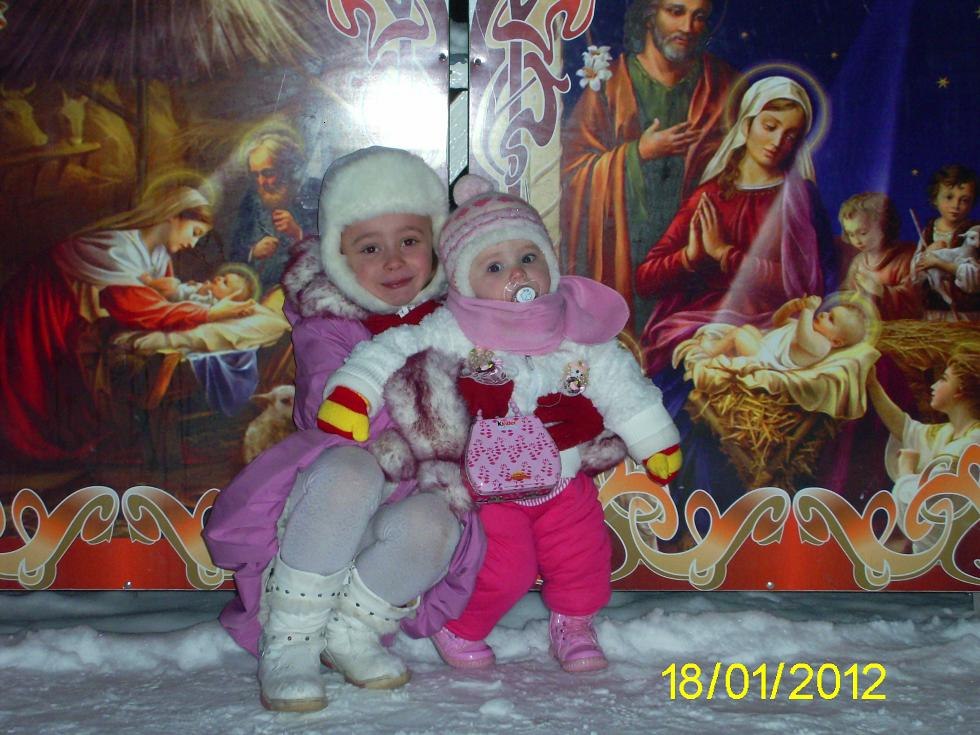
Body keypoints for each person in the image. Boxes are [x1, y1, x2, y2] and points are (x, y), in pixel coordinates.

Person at [317, 175, 682, 673]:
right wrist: (352, 392)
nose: (517, 273)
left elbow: (622, 384)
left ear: (550, 264)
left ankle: (575, 625)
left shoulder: (574, 330)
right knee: (506, 567)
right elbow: (393, 349)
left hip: (562, 478)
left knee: (583, 555)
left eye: (528, 257)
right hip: (488, 487)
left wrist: (655, 440)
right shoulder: (455, 328)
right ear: (465, 281)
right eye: (494, 266)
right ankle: (460, 625)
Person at [203, 147, 484, 713]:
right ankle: (292, 640)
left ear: (435, 244)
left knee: (439, 518)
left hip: (403, 503)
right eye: (370, 248)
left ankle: (352, 632)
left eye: (409, 240)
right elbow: (330, 414)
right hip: (324, 507)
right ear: (339, 255)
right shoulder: (328, 323)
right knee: (351, 470)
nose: (394, 260)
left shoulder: (459, 319)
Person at [634, 75, 839, 518]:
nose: (778, 142)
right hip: (700, 323)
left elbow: (808, 286)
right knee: (689, 411)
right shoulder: (709, 197)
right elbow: (646, 279)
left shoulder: (799, 198)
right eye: (770, 126)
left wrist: (725, 254)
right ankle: (698, 523)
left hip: (778, 325)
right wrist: (690, 257)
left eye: (792, 135)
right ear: (746, 124)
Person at [0, 183, 253, 463]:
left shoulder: (159, 258)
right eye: (194, 232)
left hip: (75, 318)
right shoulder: (117, 249)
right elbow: (143, 310)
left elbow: (160, 306)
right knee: (37, 390)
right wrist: (210, 314)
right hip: (41, 306)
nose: (192, 244)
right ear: (173, 215)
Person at [561, 0, 736, 333]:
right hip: (626, 253)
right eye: (676, 12)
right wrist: (638, 152)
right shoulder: (609, 84)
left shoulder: (721, 84)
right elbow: (574, 171)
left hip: (696, 263)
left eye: (699, 17)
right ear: (649, 15)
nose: (687, 27)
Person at [866, 349, 980, 552]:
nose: (934, 386)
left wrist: (906, 470)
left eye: (943, 379)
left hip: (954, 555)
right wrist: (873, 385)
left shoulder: (969, 445)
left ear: (960, 390)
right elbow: (906, 429)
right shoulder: (950, 433)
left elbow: (924, 507)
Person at [229, 131, 317, 292]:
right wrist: (253, 252)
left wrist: (298, 233)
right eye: (256, 175)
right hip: (258, 292)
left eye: (268, 173)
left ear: (286, 169)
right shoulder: (251, 200)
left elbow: (333, 254)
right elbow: (232, 252)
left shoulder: (314, 192)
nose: (261, 182)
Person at [703, 294, 867, 370]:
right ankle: (728, 350)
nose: (824, 314)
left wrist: (808, 311)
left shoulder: (822, 345)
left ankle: (711, 351)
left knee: (739, 334)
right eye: (828, 312)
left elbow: (804, 338)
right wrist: (790, 308)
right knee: (748, 329)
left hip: (764, 359)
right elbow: (778, 321)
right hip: (762, 346)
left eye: (831, 319)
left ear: (836, 341)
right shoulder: (804, 326)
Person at [839, 192, 922, 320]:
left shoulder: (906, 257)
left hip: (900, 326)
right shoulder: (858, 262)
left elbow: (915, 302)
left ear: (884, 226)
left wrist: (881, 291)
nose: (857, 240)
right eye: (851, 234)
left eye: (863, 233)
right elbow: (846, 293)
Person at [913, 164, 979, 320]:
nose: (956, 205)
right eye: (949, 197)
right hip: (934, 312)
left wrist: (941, 263)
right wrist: (928, 251)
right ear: (935, 199)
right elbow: (915, 275)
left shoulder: (975, 232)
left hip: (967, 313)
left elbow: (975, 278)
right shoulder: (929, 231)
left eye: (964, 200)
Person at [140, 262, 261, 306]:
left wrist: (202, 290)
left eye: (225, 282)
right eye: (223, 277)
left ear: (229, 298)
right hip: (179, 292)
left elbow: (193, 301)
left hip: (175, 298)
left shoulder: (212, 303)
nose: (219, 278)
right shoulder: (210, 291)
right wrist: (194, 285)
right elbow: (193, 289)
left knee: (171, 284)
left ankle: (149, 283)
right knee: (172, 281)